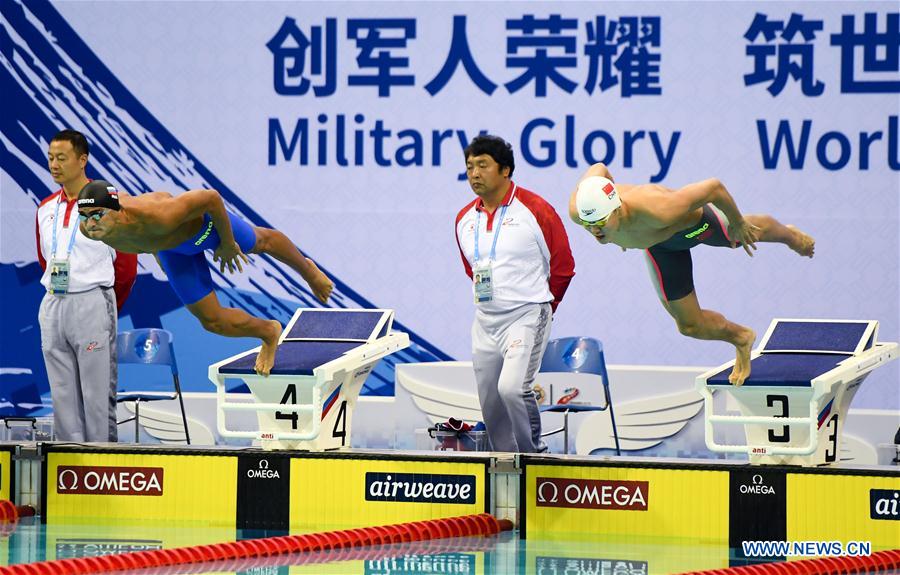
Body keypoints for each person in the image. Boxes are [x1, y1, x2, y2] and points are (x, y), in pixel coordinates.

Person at [569, 163, 815, 385]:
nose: (594, 230)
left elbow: (714, 188)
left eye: (600, 222)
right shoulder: (579, 206)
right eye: (587, 223)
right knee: (689, 325)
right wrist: (619, 233)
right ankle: (741, 337)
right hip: (660, 247)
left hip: (693, 227)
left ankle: (790, 235)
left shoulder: (659, 208)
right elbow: (599, 167)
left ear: (617, 209)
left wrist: (737, 222)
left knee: (740, 235)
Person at [76, 180, 334, 376]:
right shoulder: (91, 230)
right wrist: (156, 253)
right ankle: (268, 332)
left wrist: (228, 243)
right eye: (85, 217)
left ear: (118, 210)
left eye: (97, 214)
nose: (91, 223)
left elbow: (211, 198)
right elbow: (139, 239)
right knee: (212, 321)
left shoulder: (160, 213)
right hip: (171, 250)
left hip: (202, 229)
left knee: (259, 241)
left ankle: (308, 270)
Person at [455, 135, 575, 453]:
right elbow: (473, 269)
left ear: (505, 170)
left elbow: (563, 265)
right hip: (485, 320)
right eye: (469, 167)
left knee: (512, 389)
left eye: (483, 165)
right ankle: (503, 469)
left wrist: (545, 308)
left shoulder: (536, 210)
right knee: (491, 404)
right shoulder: (463, 219)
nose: (474, 174)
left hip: (526, 314)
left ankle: (534, 458)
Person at [36, 130, 138, 442]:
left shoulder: (109, 204)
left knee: (96, 396)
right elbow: (46, 259)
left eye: (61, 158)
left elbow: (126, 266)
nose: (54, 165)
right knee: (62, 394)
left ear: (82, 160)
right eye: (51, 158)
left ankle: (102, 464)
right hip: (54, 303)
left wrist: (104, 304)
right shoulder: (44, 208)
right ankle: (70, 464)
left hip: (93, 302)